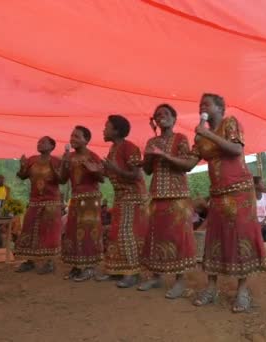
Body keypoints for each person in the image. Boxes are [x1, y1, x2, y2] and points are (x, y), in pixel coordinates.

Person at [186, 93, 266, 313]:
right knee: (214, 238)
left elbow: (236, 149)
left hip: (239, 191)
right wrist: (167, 156)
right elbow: (190, 163)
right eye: (200, 103)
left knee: (240, 237)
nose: (201, 106)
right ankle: (211, 288)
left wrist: (207, 135)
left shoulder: (229, 122)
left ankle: (242, 291)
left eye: (207, 103)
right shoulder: (200, 135)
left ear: (220, 107)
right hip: (218, 194)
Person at [138, 104, 196, 299]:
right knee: (156, 236)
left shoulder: (181, 139)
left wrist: (163, 154)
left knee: (178, 237)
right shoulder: (151, 140)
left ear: (174, 118)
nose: (161, 117)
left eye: (165, 114)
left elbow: (186, 165)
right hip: (157, 194)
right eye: (157, 116)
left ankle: (180, 281)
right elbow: (147, 171)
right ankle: (157, 276)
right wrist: (147, 156)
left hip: (177, 195)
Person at [98, 115, 149, 288]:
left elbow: (136, 174)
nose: (103, 130)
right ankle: (117, 270)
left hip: (133, 197)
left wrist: (114, 169)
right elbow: (112, 173)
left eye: (107, 127)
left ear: (116, 130)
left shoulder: (130, 147)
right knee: (116, 235)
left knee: (127, 234)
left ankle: (132, 273)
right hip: (120, 197)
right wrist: (99, 170)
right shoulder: (113, 149)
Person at [60, 126, 105, 282]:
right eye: (72, 135)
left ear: (86, 140)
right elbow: (62, 180)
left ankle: (90, 267)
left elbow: (102, 178)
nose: (72, 138)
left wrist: (94, 170)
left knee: (88, 232)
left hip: (91, 200)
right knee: (73, 231)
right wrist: (64, 163)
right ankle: (77, 266)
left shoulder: (93, 156)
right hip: (76, 199)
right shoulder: (69, 157)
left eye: (77, 136)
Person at [15, 136, 63, 274]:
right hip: (35, 201)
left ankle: (49, 262)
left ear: (52, 147)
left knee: (48, 232)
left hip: (51, 201)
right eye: (39, 142)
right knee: (28, 229)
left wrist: (58, 169)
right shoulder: (31, 160)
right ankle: (29, 261)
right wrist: (22, 166)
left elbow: (62, 180)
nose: (39, 144)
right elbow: (22, 176)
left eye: (43, 142)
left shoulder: (56, 161)